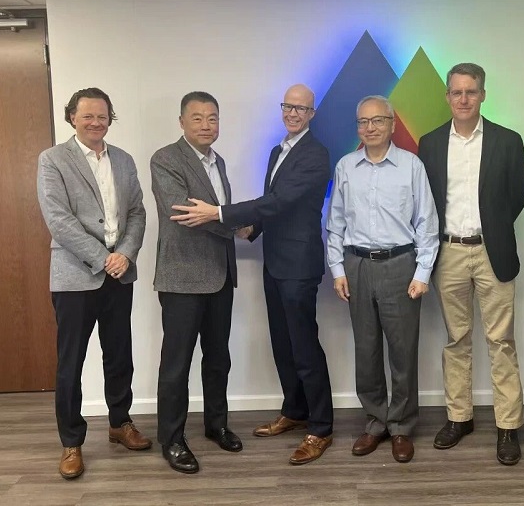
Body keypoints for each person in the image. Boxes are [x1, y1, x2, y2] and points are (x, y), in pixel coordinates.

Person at [170, 84, 334, 465]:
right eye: (288, 106)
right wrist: (251, 229)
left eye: (302, 108)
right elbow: (273, 209)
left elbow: (280, 200)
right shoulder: (278, 151)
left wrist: (219, 214)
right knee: (282, 343)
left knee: (304, 346)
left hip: (299, 265)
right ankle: (295, 410)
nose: (293, 113)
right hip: (273, 262)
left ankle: (321, 427)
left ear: (312, 114)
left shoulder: (316, 154)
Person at [36, 87, 150, 480]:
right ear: (72, 117)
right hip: (75, 276)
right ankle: (71, 442)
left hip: (120, 273)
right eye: (88, 116)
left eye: (102, 116)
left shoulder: (123, 159)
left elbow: (137, 212)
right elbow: (59, 220)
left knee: (120, 354)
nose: (96, 122)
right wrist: (103, 257)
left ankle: (120, 423)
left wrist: (126, 254)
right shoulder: (53, 160)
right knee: (71, 362)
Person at [418, 63, 524, 465]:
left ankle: (508, 426)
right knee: (456, 339)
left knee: (501, 341)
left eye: (471, 91)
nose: (463, 99)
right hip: (447, 252)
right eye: (456, 92)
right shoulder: (430, 143)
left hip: (492, 251)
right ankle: (459, 418)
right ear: (447, 96)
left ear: (483, 95)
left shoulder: (507, 140)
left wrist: (492, 229)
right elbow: (426, 199)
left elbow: (517, 195)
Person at [326, 95, 438, 463]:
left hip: (400, 265)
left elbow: (427, 222)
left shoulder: (411, 165)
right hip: (356, 265)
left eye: (377, 120)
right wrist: (338, 269)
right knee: (366, 348)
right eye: (363, 122)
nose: (370, 127)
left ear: (392, 124)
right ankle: (375, 422)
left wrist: (422, 272)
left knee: (403, 351)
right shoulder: (346, 166)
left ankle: (401, 426)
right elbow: (335, 222)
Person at [151, 91, 245, 474]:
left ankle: (216, 424)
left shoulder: (218, 161)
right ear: (181, 122)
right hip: (183, 278)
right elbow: (186, 213)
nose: (206, 125)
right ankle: (172, 439)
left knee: (218, 357)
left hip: (220, 274)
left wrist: (225, 216)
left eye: (213, 118)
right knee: (177, 364)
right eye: (197, 118)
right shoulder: (165, 159)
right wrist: (236, 222)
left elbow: (214, 212)